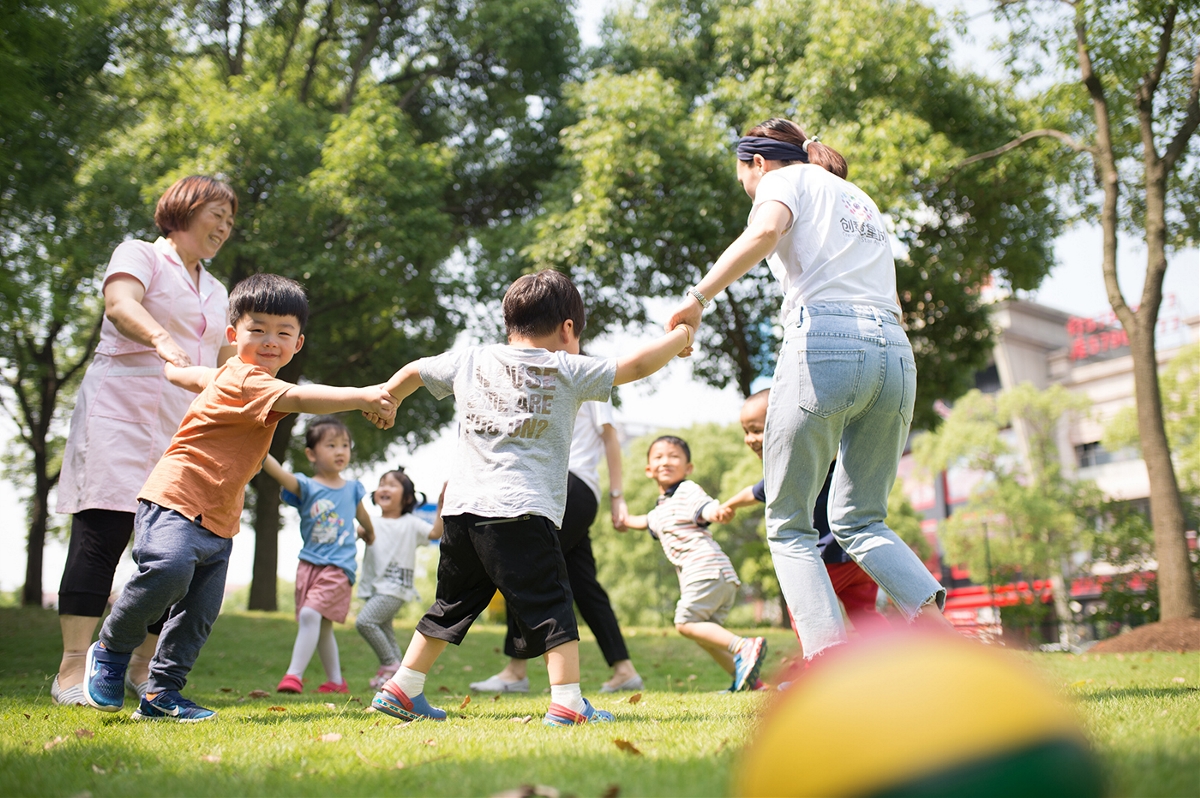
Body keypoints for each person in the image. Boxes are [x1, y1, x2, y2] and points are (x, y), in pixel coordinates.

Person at [665, 118, 948, 661]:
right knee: (863, 519)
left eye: (741, 176)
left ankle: (830, 667)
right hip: (894, 350)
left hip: (826, 340)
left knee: (791, 524)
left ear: (757, 161)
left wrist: (697, 299)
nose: (746, 188)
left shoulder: (781, 179)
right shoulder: (858, 197)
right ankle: (943, 640)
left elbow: (765, 232)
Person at [365, 269, 695, 726]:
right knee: (552, 601)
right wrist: (681, 333)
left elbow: (416, 370)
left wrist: (389, 399)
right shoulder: (565, 367)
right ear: (567, 329)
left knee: (452, 603)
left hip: (462, 512)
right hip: (520, 508)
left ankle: (402, 687)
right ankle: (568, 702)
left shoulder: (471, 359)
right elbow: (636, 365)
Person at [80, 273, 396, 721]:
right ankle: (110, 648)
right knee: (168, 572)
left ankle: (161, 694)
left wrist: (173, 366)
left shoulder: (230, 378)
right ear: (233, 335)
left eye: (283, 332)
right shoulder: (249, 379)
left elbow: (195, 376)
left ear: (298, 343)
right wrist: (366, 394)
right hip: (177, 498)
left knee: (199, 615)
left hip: (220, 519)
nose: (271, 340)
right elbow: (302, 398)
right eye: (258, 329)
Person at [53, 175, 238, 706]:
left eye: (230, 219)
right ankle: (70, 670)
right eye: (216, 213)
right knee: (104, 532)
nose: (224, 226)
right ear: (182, 210)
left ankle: (142, 664)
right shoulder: (140, 254)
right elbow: (120, 304)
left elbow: (227, 358)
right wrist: (161, 337)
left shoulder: (217, 289)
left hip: (183, 427)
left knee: (170, 544)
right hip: (120, 413)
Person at [469, 400, 643, 695]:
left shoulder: (588, 379)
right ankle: (623, 669)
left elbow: (610, 437)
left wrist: (617, 496)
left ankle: (515, 671)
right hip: (551, 485)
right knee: (583, 581)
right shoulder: (541, 381)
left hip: (569, 486)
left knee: (521, 563)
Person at [721, 389, 890, 640]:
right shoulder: (821, 450)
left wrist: (730, 505)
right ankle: (893, 656)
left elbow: (758, 491)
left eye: (756, 430)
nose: (750, 439)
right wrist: (730, 505)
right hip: (858, 555)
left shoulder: (793, 464)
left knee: (803, 609)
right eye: (746, 432)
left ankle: (820, 665)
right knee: (864, 613)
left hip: (828, 555)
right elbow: (757, 491)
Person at [623, 435, 768, 692]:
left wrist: (715, 512)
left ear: (688, 468)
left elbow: (705, 508)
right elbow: (645, 521)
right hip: (716, 574)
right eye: (658, 457)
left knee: (685, 623)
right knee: (706, 637)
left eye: (674, 456)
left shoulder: (687, 490)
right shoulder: (662, 509)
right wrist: (622, 520)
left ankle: (744, 647)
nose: (666, 461)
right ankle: (750, 684)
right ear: (648, 469)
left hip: (706, 569)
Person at [263, 416, 376, 695]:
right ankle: (336, 681)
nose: (340, 451)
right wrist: (257, 443)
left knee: (311, 614)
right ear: (311, 454)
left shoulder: (352, 489)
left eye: (345, 445)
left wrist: (368, 533)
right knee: (322, 625)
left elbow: (363, 518)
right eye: (331, 445)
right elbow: (277, 471)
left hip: (339, 567)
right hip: (309, 565)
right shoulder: (306, 486)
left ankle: (293, 676)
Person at [357, 468, 444, 690]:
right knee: (385, 630)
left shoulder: (410, 523)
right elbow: (360, 530)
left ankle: (389, 664)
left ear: (406, 498)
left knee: (365, 622)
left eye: (392, 485)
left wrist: (442, 507)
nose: (384, 488)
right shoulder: (372, 523)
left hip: (395, 588)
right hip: (377, 588)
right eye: (382, 483)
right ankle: (399, 679)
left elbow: (435, 533)